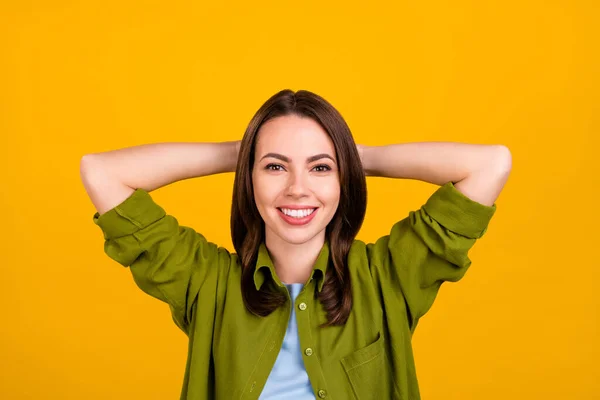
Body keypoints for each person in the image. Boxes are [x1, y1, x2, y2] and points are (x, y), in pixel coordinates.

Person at [80, 89, 511, 400]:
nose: (298, 189)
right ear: (249, 179)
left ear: (344, 179)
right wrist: (244, 151)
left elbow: (490, 165)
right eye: (274, 167)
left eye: (321, 167)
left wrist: (356, 157)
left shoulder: (389, 276)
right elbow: (101, 172)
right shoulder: (207, 283)